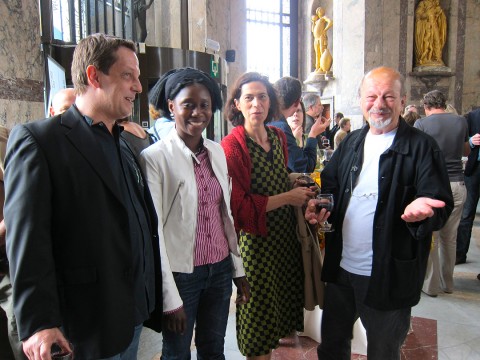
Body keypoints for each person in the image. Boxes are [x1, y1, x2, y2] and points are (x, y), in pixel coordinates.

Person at [4, 33, 163, 360]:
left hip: (129, 316)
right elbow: (28, 241)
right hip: (83, 325)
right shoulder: (40, 141)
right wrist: (39, 322)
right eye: (127, 75)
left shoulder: (122, 142)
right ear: (94, 76)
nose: (137, 86)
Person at [305, 66, 453, 360]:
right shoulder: (352, 141)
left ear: (402, 99)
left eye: (389, 96)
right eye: (372, 96)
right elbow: (331, 185)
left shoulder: (422, 147)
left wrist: (424, 211)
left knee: (383, 351)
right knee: (333, 345)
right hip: (342, 269)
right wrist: (320, 205)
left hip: (388, 274)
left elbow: (439, 202)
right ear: (361, 99)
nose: (379, 104)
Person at [140, 67, 250, 359]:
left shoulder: (216, 152)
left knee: (213, 348)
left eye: (205, 105)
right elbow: (156, 234)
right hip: (181, 276)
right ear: (172, 106)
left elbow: (224, 217)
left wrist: (238, 271)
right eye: (188, 104)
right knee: (177, 353)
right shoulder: (154, 158)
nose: (198, 112)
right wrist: (170, 298)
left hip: (219, 270)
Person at [221, 72, 316, 359]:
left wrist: (293, 180)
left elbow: (277, 174)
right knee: (257, 318)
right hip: (256, 243)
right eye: (248, 98)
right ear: (237, 104)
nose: (256, 104)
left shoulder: (276, 136)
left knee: (280, 311)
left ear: (270, 101)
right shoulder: (233, 146)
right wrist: (289, 197)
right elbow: (241, 208)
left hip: (283, 237)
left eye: (262, 97)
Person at [1, 86, 78, 360]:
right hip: (17, 268)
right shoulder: (31, 141)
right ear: (51, 111)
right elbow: (24, 222)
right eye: (67, 111)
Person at [415, 90, 469, 297]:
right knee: (450, 237)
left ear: (426, 107)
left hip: (434, 186)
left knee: (432, 236)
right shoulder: (461, 121)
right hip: (457, 183)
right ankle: (449, 283)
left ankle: (431, 285)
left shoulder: (422, 124)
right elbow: (466, 151)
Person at [270, 76, 330, 173]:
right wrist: (313, 135)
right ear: (297, 102)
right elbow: (305, 167)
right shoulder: (281, 128)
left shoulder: (269, 120)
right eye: (319, 105)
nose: (296, 115)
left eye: (299, 111)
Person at [456, 107, 480, 264]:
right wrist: (471, 141)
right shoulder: (472, 116)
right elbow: (462, 142)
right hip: (475, 169)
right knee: (466, 214)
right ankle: (460, 253)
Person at [415, 0, 447, 66]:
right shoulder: (423, 3)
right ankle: (425, 58)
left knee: (437, 41)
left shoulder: (436, 4)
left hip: (434, 25)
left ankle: (437, 58)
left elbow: (441, 17)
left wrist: (440, 12)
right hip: (427, 26)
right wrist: (426, 15)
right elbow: (418, 14)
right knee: (427, 42)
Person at [311, 7, 333, 73]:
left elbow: (331, 22)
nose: (320, 11)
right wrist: (313, 22)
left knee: (322, 52)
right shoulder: (317, 21)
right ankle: (317, 67)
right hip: (316, 39)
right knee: (317, 53)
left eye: (321, 10)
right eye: (318, 11)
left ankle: (322, 67)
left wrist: (325, 30)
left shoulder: (323, 18)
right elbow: (312, 30)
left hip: (321, 37)